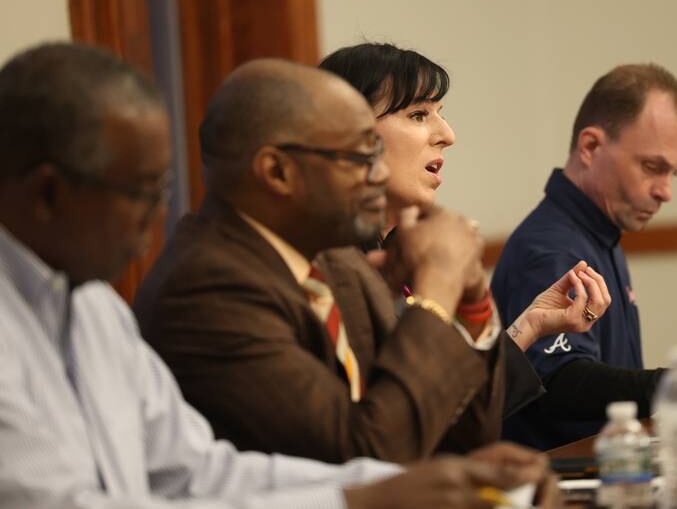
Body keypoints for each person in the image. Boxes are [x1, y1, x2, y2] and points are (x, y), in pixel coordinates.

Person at [0, 41, 563, 509]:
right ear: (49, 193)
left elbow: (197, 471)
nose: (153, 220)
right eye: (139, 194)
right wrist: (364, 495)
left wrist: (404, 486)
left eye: (161, 191)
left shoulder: (94, 308)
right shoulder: (206, 284)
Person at [134, 56, 529, 464]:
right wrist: (437, 288)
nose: (377, 176)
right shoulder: (207, 289)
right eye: (360, 158)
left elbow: (462, 438)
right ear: (278, 172)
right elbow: (363, 456)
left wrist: (471, 298)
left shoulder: (338, 262)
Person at [491, 63, 677, 449]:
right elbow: (558, 382)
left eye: (674, 173)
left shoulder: (600, 233)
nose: (665, 192)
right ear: (591, 147)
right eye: (652, 167)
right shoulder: (551, 247)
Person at [319, 43, 612, 420]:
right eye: (419, 114)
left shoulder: (397, 252)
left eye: (440, 114)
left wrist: (531, 323)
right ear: (349, 134)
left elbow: (457, 407)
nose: (447, 135)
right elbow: (401, 423)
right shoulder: (327, 267)